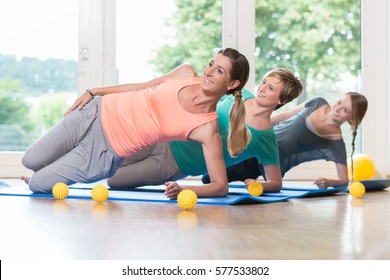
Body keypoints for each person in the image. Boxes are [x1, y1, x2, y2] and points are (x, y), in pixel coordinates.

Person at [21, 48, 250, 199]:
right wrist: (94, 91)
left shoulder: (205, 128)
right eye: (211, 64)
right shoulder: (185, 73)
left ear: (232, 84)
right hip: (94, 112)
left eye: (219, 71)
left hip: (103, 153)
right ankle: (48, 173)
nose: (209, 72)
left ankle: (46, 177)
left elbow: (221, 186)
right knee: (29, 159)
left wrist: (186, 189)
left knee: (36, 184)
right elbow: (142, 86)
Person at [107, 68, 303, 196]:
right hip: (165, 135)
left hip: (173, 164)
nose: (262, 88)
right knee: (107, 159)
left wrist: (259, 185)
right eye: (264, 82)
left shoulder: (266, 139)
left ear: (281, 101)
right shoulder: (240, 95)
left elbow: (276, 182)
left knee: (114, 180)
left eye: (270, 88)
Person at [202, 92, 368, 189]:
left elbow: (345, 180)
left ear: (351, 119)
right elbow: (285, 116)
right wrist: (257, 124)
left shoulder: (335, 142)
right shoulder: (318, 103)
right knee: (209, 163)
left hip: (267, 162)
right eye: (339, 102)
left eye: (345, 110)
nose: (337, 108)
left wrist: (330, 182)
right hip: (258, 140)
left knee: (208, 179)